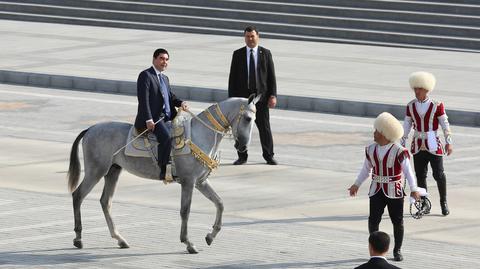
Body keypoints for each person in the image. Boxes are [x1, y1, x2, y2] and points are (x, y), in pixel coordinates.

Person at [349, 112, 420, 262]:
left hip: (394, 190)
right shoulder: (370, 149)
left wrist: (414, 189)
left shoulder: (399, 151)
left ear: (385, 134)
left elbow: (409, 171)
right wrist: (356, 184)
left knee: (397, 221)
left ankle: (397, 250)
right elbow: (366, 169)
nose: (374, 133)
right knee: (373, 220)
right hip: (376, 190)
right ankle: (375, 250)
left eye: (377, 131)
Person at [401, 71, 452, 216]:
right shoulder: (410, 106)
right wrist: (401, 143)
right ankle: (424, 204)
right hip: (417, 144)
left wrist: (449, 142)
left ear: (426, 89)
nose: (416, 91)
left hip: (433, 142)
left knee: (439, 174)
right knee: (420, 176)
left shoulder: (437, 105)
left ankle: (443, 201)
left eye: (419, 89)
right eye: (415, 89)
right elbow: (406, 125)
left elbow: (445, 124)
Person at [134, 48, 188, 180]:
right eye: (162, 58)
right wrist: (148, 119)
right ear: (154, 59)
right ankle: (164, 169)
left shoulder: (165, 78)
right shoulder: (146, 75)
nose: (165, 62)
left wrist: (180, 103)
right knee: (166, 137)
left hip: (168, 116)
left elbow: (170, 96)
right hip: (154, 118)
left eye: (167, 59)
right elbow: (143, 99)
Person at [228, 25, 278, 165]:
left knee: (264, 128)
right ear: (244, 38)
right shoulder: (237, 54)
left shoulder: (265, 53)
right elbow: (233, 78)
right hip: (243, 99)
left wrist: (272, 95)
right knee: (240, 129)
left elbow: (271, 77)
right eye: (247, 36)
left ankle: (269, 155)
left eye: (252, 36)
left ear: (258, 37)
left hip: (261, 98)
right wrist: (232, 99)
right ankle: (242, 156)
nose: (250, 39)